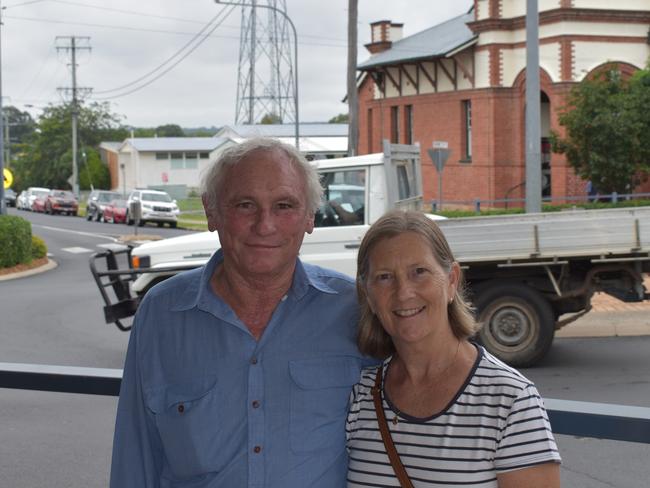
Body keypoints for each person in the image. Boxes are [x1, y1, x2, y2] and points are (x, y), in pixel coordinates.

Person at [110, 138, 372, 487]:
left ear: (310, 216)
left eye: (284, 205)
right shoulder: (162, 315)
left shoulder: (353, 309)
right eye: (245, 205)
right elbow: (135, 458)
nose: (265, 225)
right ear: (211, 212)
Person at [346, 210, 561, 487]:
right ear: (369, 296)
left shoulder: (510, 400)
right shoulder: (360, 394)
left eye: (419, 272)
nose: (404, 292)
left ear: (451, 281)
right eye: (385, 277)